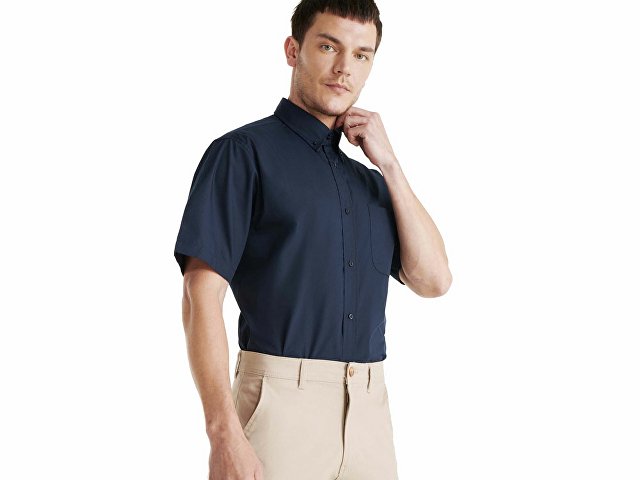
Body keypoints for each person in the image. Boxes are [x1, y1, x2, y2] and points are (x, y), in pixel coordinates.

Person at [173, 0, 452, 478]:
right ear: (293, 50)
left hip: (370, 413)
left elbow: (434, 281)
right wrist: (222, 432)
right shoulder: (242, 154)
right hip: (280, 410)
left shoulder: (370, 182)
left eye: (362, 55)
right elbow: (201, 296)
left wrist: (389, 164)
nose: (345, 68)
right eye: (328, 46)